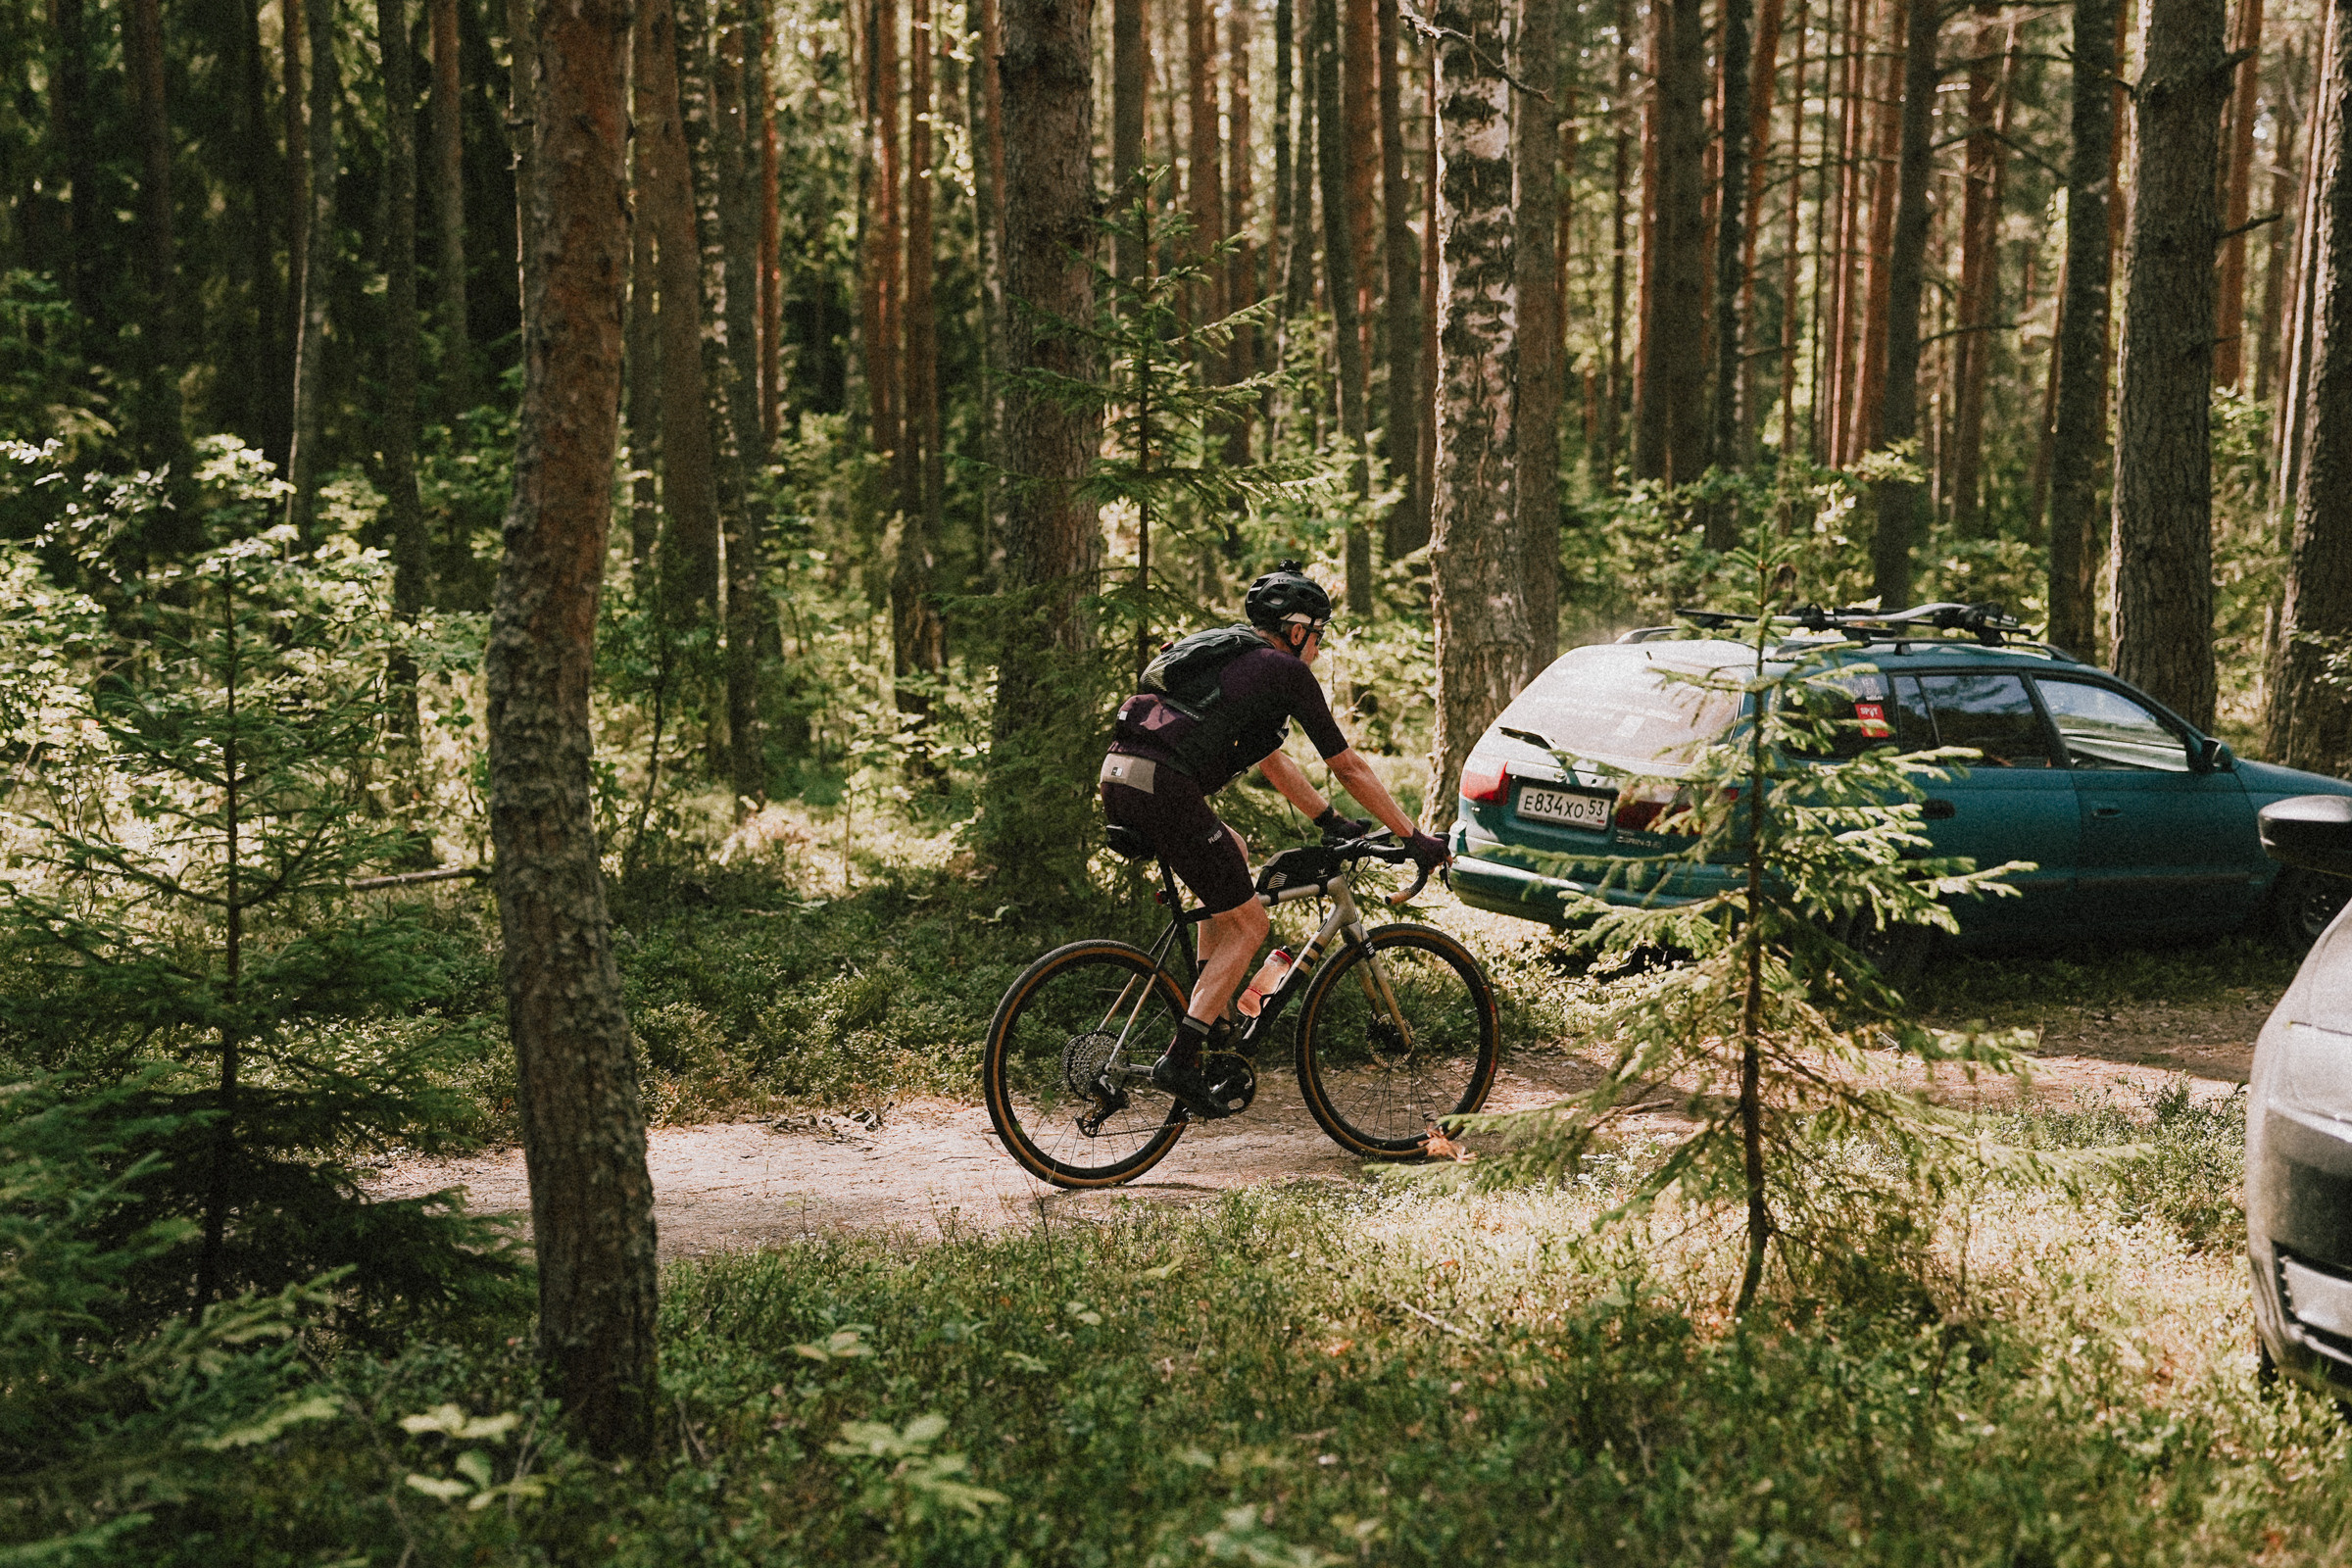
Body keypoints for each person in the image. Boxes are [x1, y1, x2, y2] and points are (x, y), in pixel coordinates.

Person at [1099, 562, 1451, 1117]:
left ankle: (1209, 1014)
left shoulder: (1232, 660)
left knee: (1232, 856)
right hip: (1164, 787)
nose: (1318, 645)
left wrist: (1329, 820)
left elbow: (1273, 762)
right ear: (1295, 630)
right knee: (1253, 923)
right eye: (1317, 632)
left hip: (1121, 776)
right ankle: (1180, 1060)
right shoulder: (1283, 672)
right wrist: (1414, 838)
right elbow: (1348, 764)